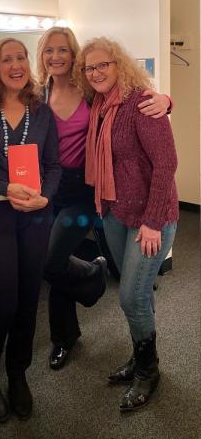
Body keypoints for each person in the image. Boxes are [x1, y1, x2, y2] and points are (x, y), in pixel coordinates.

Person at [36, 27, 172, 371]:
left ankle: (141, 350)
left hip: (89, 188)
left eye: (63, 50)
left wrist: (167, 100)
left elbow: (139, 108)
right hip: (50, 188)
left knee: (64, 261)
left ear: (74, 56)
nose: (56, 57)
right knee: (55, 260)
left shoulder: (89, 93)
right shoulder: (37, 94)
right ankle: (64, 337)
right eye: (48, 50)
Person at [0, 38, 61, 422]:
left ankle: (18, 374)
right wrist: (5, 188)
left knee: (26, 301)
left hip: (34, 215)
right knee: (0, 304)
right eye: (7, 59)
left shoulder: (41, 109)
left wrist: (45, 198)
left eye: (21, 57)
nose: (16, 65)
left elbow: (53, 165)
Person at [76, 36, 178, 412]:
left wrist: (153, 223)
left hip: (151, 217)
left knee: (130, 296)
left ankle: (148, 371)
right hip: (116, 213)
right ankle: (141, 357)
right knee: (137, 293)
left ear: (120, 65)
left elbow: (166, 165)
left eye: (104, 64)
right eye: (90, 67)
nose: (97, 72)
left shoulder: (141, 104)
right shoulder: (99, 104)